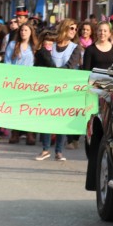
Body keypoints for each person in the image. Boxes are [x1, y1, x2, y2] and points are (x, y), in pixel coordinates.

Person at [34, 20, 82, 161]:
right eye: (71, 28)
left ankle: (59, 151)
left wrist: (54, 73)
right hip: (49, 87)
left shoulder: (75, 48)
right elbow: (42, 61)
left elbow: (70, 66)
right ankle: (45, 149)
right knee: (48, 116)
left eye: (75, 28)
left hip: (66, 88)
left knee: (62, 118)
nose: (74, 31)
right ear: (64, 28)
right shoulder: (51, 45)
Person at [6, 21, 39, 146]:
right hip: (16, 81)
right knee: (16, 108)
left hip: (31, 82)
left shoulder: (35, 46)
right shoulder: (13, 45)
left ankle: (30, 133)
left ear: (31, 32)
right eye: (22, 30)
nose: (23, 32)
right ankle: (15, 132)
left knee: (29, 108)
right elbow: (7, 61)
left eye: (26, 30)